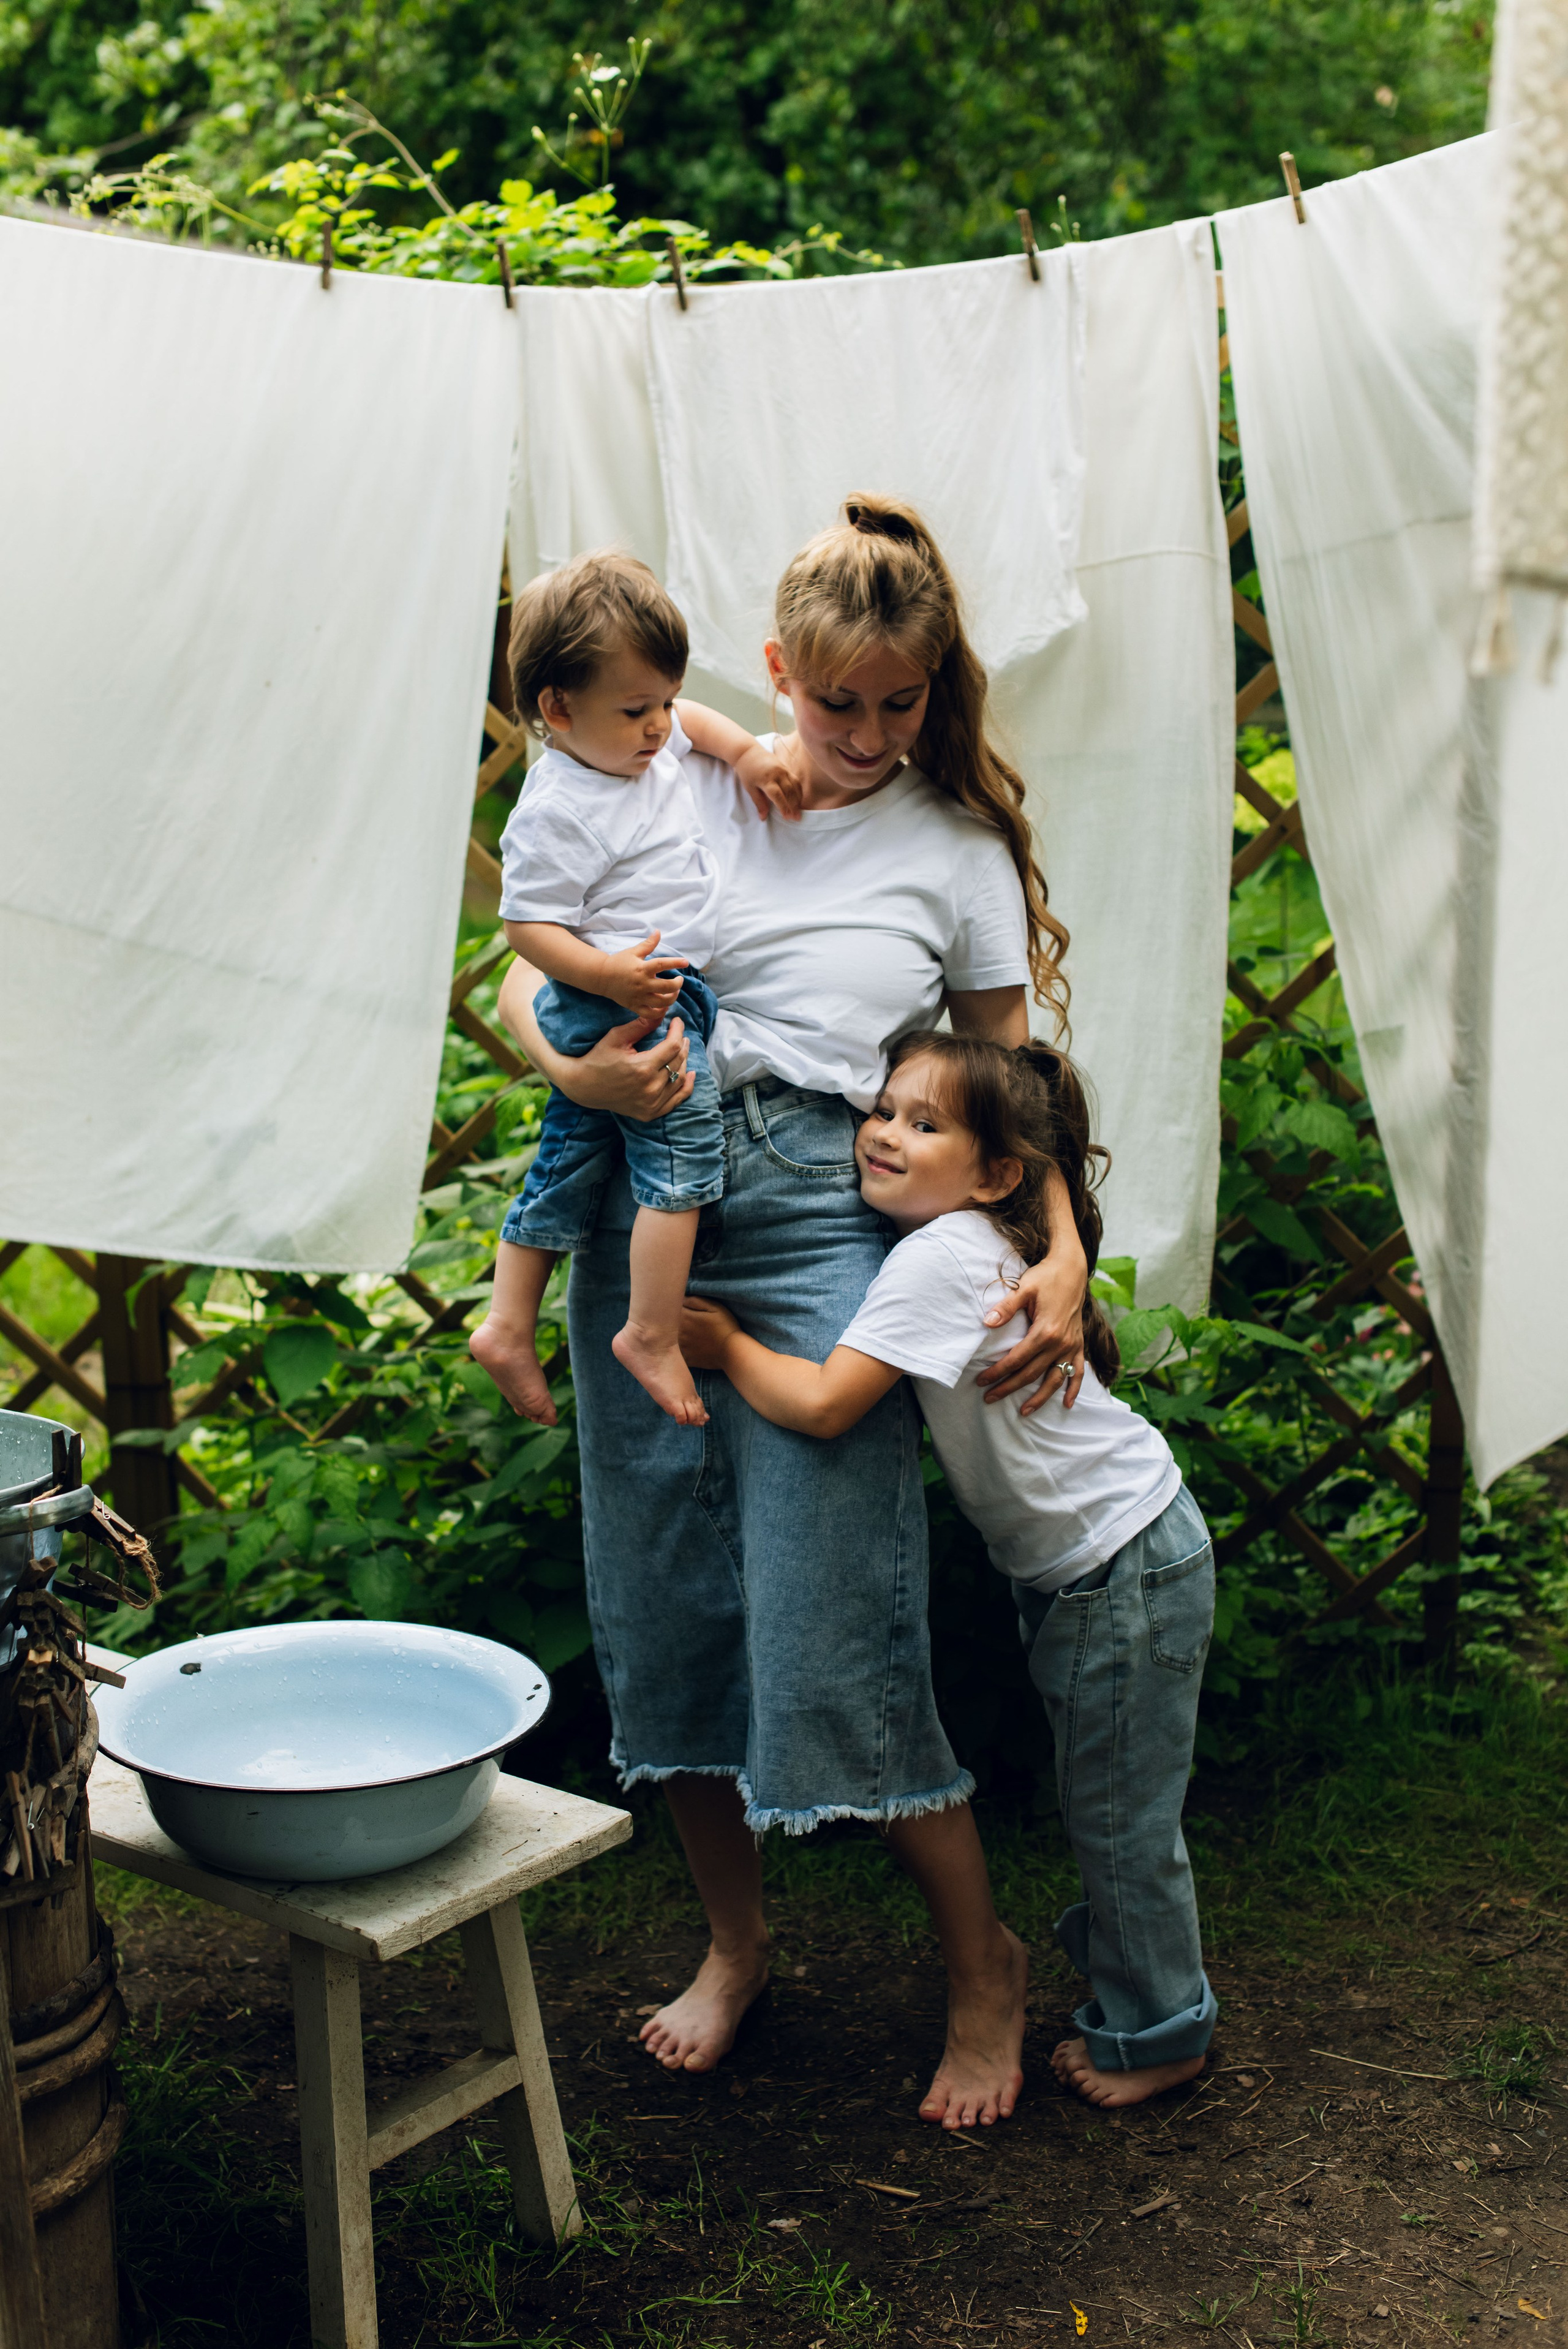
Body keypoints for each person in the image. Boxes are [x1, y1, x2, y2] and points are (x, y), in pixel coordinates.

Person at [497, 497, 1090, 2129]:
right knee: (669, 1602)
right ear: (781, 672)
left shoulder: (954, 850)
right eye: (838, 703)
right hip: (652, 1223)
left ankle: (986, 1963)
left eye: (902, 702)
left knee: (837, 1613)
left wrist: (1065, 1251)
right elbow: (527, 976)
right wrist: (571, 1063)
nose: (868, 735)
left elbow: (1006, 1084)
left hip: (832, 1216)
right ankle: (736, 1944)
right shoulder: (671, 765)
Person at [682, 1030, 1218, 2110]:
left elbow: (830, 1406)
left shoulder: (936, 1258)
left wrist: (727, 1346)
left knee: (1120, 1817)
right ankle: (1136, 2001)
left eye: (925, 1125)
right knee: (1109, 1800)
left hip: (1120, 1566)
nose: (882, 1133)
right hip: (1108, 1561)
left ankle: (1165, 2034)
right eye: (882, 1111)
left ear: (997, 1173)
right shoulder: (965, 1237)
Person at [469, 550, 797, 1429]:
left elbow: (692, 719)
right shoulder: (560, 807)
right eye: (636, 710)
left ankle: (506, 1323)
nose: (660, 726)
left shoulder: (636, 747)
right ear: (558, 710)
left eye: (663, 701)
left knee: (570, 1158)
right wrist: (605, 974)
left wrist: (747, 755)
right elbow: (526, 930)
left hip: (636, 991)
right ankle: (650, 1331)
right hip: (627, 997)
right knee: (686, 1156)